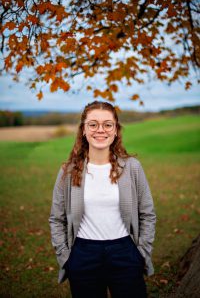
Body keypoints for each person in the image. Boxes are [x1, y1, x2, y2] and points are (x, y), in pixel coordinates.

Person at [49, 101, 156, 298]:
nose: (100, 130)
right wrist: (66, 258)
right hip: (83, 254)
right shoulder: (69, 171)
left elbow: (147, 214)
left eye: (107, 124)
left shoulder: (132, 167)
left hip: (125, 251)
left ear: (116, 130)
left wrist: (142, 253)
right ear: (83, 130)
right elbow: (57, 219)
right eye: (93, 124)